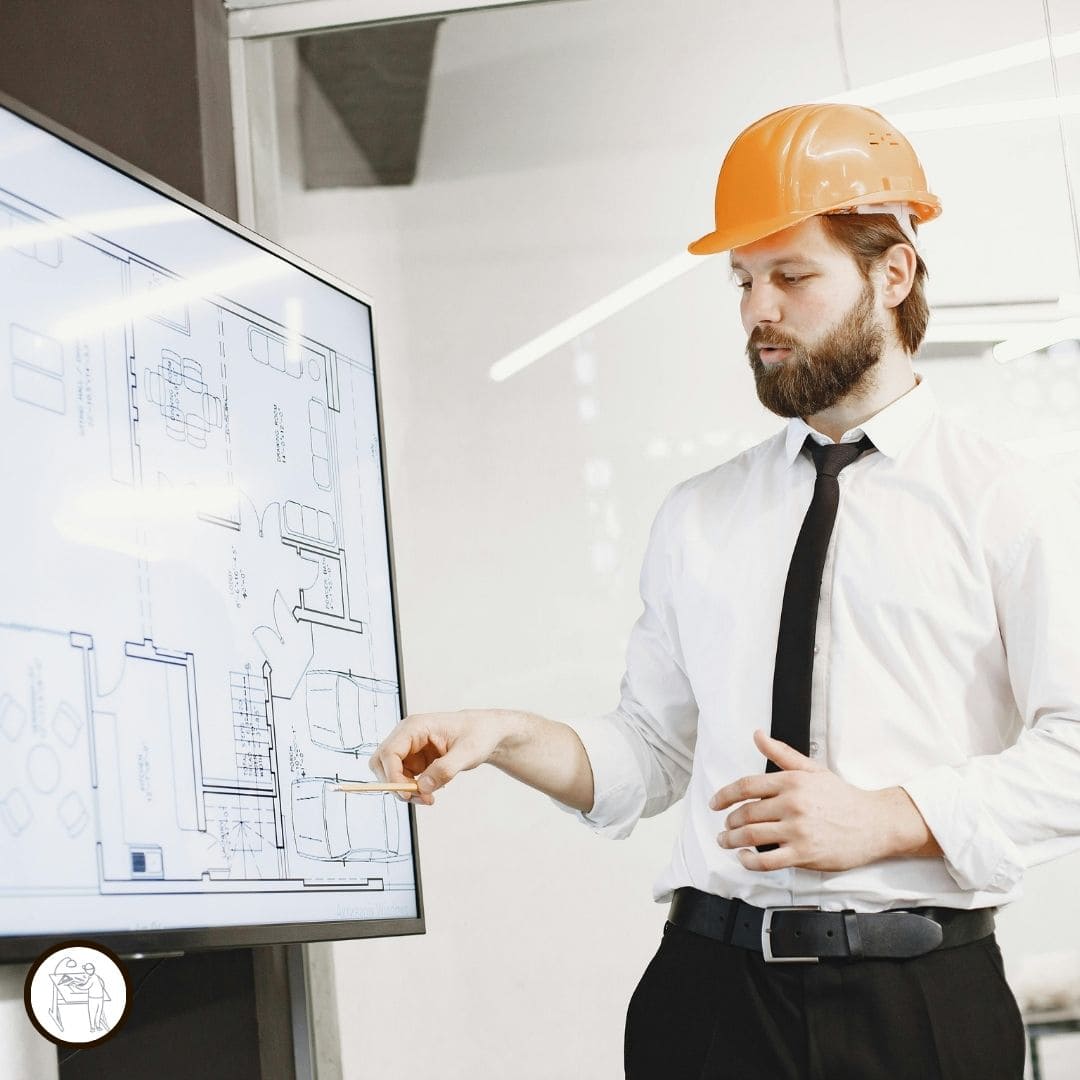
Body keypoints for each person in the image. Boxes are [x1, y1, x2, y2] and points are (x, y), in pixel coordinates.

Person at [370, 102, 1080, 1078]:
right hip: (708, 1000)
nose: (757, 310)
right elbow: (655, 753)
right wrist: (507, 735)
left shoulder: (1013, 500)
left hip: (920, 1007)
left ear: (894, 272)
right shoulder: (699, 515)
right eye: (742, 281)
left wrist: (890, 815)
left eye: (791, 275)